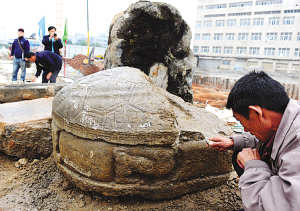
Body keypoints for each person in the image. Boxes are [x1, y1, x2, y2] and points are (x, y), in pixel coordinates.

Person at [209, 71, 300, 211]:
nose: (244, 129)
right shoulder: (286, 117)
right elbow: (273, 134)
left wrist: (255, 167)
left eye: (242, 122)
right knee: (239, 155)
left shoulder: (296, 150)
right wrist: (234, 142)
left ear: (257, 113)